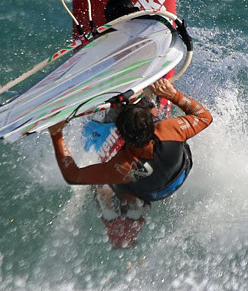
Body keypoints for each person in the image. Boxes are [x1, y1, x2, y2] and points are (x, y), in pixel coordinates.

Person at [49, 78, 213, 218]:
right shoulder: (169, 130)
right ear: (152, 125)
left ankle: (126, 201)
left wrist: (56, 133)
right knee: (148, 108)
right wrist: (173, 95)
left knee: (114, 184)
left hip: (149, 192)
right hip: (180, 173)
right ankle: (150, 105)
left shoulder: (122, 166)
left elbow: (73, 176)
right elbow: (204, 117)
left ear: (119, 134)